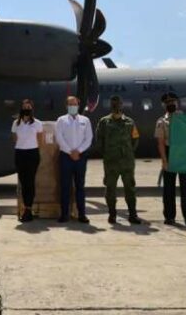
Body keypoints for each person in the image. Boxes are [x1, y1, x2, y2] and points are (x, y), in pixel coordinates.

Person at [95, 95, 142, 225]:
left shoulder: (129, 122)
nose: (116, 106)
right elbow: (99, 140)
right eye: (114, 104)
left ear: (122, 105)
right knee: (110, 189)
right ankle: (112, 214)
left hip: (127, 162)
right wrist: (108, 154)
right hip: (111, 162)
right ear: (111, 106)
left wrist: (128, 152)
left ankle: (132, 214)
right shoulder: (104, 122)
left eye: (118, 104)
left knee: (130, 188)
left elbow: (135, 139)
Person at [155, 92, 186, 226]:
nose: (170, 104)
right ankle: (169, 217)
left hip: (184, 154)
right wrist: (164, 160)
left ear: (177, 103)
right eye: (167, 102)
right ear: (164, 105)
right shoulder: (161, 121)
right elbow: (161, 143)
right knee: (169, 189)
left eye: (172, 101)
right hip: (170, 154)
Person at [54, 96, 93, 224]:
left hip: (80, 157)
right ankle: (64, 214)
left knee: (80, 186)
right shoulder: (61, 120)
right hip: (66, 156)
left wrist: (78, 151)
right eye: (70, 104)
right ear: (66, 106)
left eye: (75, 104)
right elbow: (59, 137)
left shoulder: (85, 120)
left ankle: (82, 214)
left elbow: (88, 138)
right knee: (65, 186)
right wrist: (70, 151)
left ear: (78, 105)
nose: (73, 106)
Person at [12, 99, 43, 223]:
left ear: (32, 108)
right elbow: (14, 138)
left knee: (30, 181)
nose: (26, 109)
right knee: (23, 182)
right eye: (24, 107)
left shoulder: (37, 123)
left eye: (28, 107)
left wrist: (30, 145)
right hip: (20, 153)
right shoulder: (16, 123)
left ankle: (28, 209)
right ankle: (25, 207)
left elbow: (40, 140)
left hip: (32, 153)